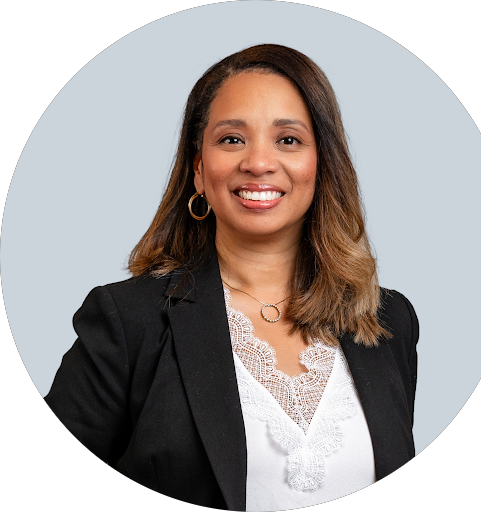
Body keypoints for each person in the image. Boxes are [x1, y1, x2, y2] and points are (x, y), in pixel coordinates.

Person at [45, 44, 419, 511]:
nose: (258, 163)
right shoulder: (128, 320)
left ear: (322, 164)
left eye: (288, 140)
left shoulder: (389, 320)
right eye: (232, 139)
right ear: (199, 170)